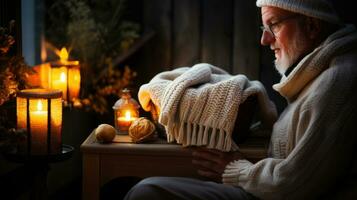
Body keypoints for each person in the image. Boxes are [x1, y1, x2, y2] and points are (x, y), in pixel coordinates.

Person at [124, 0, 357, 199]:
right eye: (264, 27)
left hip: (269, 194)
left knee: (147, 193)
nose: (265, 40)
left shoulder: (339, 81)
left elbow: (294, 183)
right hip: (262, 187)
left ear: (311, 25)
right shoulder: (319, 73)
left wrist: (236, 169)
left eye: (273, 25)